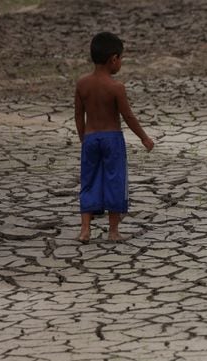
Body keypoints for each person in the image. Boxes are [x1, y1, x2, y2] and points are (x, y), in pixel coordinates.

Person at [74, 32, 154, 243]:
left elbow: (78, 116)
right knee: (114, 181)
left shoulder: (82, 84)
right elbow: (128, 116)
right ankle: (113, 231)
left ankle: (85, 230)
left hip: (91, 138)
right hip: (112, 139)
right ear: (113, 59)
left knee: (89, 182)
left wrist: (84, 139)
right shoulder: (116, 87)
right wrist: (144, 138)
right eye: (121, 58)